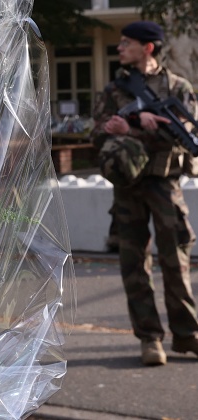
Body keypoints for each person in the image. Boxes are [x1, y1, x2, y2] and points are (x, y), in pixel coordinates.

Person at [90, 21, 198, 366]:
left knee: (176, 263)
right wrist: (120, 128)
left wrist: (137, 128)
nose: (120, 48)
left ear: (148, 47)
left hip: (165, 184)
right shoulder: (115, 89)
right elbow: (97, 133)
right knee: (134, 266)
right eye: (120, 43)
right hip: (128, 186)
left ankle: (187, 335)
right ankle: (149, 339)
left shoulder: (178, 88)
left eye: (127, 43)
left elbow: (187, 136)